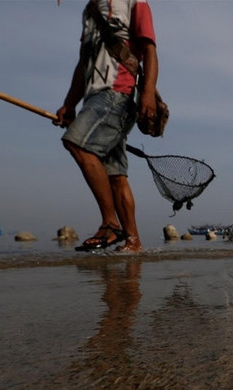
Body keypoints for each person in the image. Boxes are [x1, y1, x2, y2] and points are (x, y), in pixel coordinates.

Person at [53, 0, 159, 253]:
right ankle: (133, 241)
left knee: (78, 144)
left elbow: (150, 50)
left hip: (117, 91)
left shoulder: (135, 2)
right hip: (95, 96)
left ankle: (111, 224)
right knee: (115, 175)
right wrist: (69, 104)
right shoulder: (90, 10)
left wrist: (148, 93)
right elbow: (84, 62)